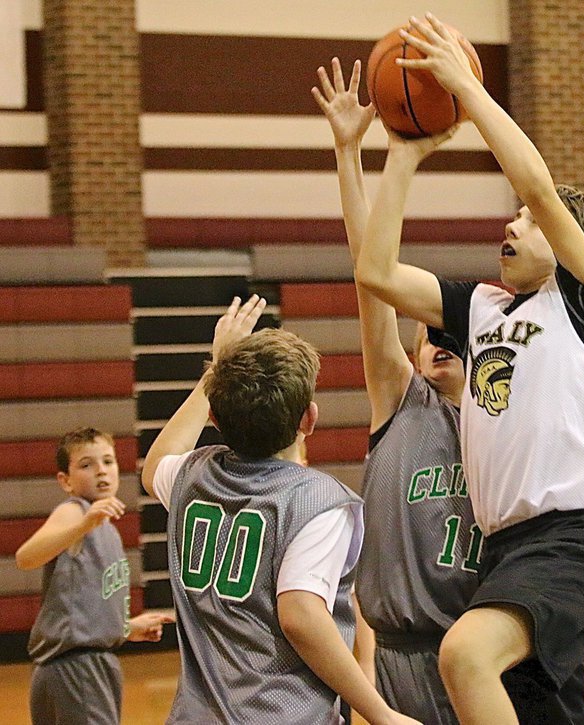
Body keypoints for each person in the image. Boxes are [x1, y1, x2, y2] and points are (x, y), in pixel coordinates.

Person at [354, 13, 584, 725]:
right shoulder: (479, 308)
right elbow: (376, 270)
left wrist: (467, 91)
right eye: (510, 219)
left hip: (576, 536)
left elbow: (538, 184)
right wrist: (405, 157)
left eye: (527, 222)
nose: (511, 224)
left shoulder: (580, 297)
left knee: (464, 655)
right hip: (504, 547)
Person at [140, 295, 420, 725]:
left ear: (214, 416)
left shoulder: (192, 476)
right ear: (309, 419)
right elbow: (302, 617)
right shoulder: (319, 502)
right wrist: (381, 713)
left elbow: (156, 462)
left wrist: (215, 369)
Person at [313, 58, 480, 724]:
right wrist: (350, 155)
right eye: (425, 331)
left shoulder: (502, 418)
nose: (435, 340)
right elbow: (370, 281)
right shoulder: (400, 399)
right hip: (394, 659)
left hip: (474, 659)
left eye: (451, 332)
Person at [15, 426, 174, 725]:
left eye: (108, 461)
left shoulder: (105, 529)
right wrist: (83, 524)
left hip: (68, 668)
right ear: (65, 481)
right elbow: (26, 557)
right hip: (78, 668)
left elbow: (82, 608)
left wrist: (125, 627)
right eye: (87, 465)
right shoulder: (76, 512)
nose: (101, 471)